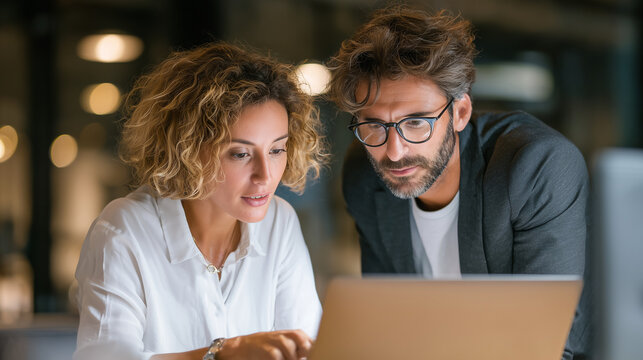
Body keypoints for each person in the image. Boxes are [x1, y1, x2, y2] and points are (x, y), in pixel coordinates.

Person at [328, 6, 590, 359]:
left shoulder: (534, 166)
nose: (393, 152)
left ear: (460, 113)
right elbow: (388, 329)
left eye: (416, 123)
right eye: (374, 125)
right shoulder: (364, 175)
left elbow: (548, 346)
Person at [73, 42, 327, 360]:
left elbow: (308, 346)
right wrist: (219, 355)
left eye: (277, 149)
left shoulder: (280, 221)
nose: (265, 175)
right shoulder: (124, 229)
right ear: (188, 150)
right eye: (240, 153)